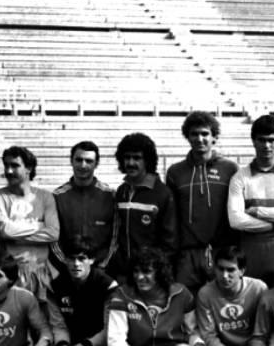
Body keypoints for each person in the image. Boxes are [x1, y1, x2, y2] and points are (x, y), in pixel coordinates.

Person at [97, 247, 204, 346]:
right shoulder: (122, 295)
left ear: (160, 272)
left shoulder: (181, 293)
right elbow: (115, 342)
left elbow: (192, 331)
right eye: (136, 271)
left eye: (147, 272)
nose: (140, 277)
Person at [42, 236, 119, 346]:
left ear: (91, 260)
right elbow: (58, 325)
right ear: (65, 260)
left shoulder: (107, 285)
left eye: (82, 259)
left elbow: (110, 329)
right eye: (71, 259)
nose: (76, 264)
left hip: (99, 344)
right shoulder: (56, 286)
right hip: (71, 344)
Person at [166, 111, 239, 291]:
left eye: (205, 133)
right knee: (186, 306)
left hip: (221, 251)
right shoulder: (175, 172)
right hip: (187, 254)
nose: (200, 139)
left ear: (214, 137)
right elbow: (171, 217)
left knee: (221, 305)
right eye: (194, 134)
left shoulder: (230, 169)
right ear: (187, 137)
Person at [228, 115, 274, 287]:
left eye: (272, 140)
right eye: (261, 140)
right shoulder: (240, 177)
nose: (267, 146)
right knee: (252, 306)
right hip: (250, 253)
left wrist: (257, 211)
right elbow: (236, 220)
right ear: (253, 141)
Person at [193, 245, 269, 346]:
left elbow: (264, 331)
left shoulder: (258, 289)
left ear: (242, 271)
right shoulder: (205, 294)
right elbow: (209, 338)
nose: (224, 275)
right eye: (220, 269)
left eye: (231, 270)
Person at [107, 133, 178, 280]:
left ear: (148, 161)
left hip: (149, 274)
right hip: (123, 273)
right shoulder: (122, 191)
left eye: (137, 158)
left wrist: (154, 269)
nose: (131, 163)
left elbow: (170, 243)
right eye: (127, 157)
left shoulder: (162, 194)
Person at [0, 145, 59, 298]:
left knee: (41, 320)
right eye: (6, 165)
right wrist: (40, 225)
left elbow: (54, 233)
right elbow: (4, 231)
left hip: (41, 273)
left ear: (29, 168)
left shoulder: (45, 197)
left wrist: (14, 233)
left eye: (15, 166)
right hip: (10, 274)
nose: (8, 171)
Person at [52, 141, 116, 269]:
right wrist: (69, 265)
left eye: (89, 161)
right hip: (68, 271)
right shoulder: (57, 197)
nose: (83, 165)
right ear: (71, 161)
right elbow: (53, 239)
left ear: (96, 164)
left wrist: (102, 265)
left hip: (102, 271)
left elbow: (115, 237)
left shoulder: (111, 196)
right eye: (79, 160)